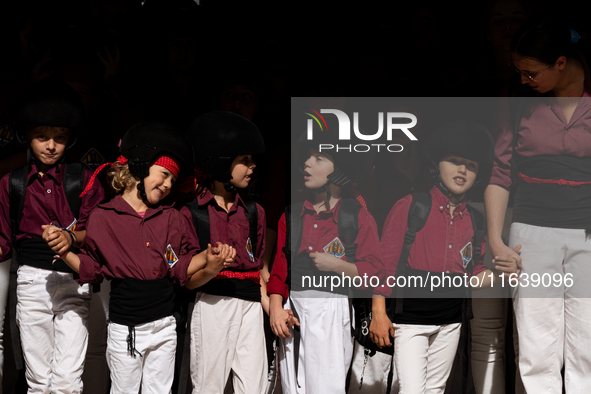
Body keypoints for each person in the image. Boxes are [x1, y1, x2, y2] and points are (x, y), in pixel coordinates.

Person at [42, 121, 234, 394]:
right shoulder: (104, 216)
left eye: (172, 180)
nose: (167, 184)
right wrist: (64, 251)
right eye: (164, 174)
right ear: (141, 167)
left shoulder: (172, 217)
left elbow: (178, 267)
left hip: (164, 326)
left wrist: (207, 255)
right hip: (126, 329)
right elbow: (92, 269)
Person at [371, 120, 520, 394]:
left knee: (436, 390)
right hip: (411, 320)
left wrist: (502, 273)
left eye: (472, 165)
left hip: (451, 320)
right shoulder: (410, 206)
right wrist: (378, 314)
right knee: (412, 390)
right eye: (454, 161)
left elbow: (473, 275)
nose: (463, 169)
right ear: (436, 164)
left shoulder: (476, 222)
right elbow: (384, 267)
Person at [484, 19, 591, 393]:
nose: (523, 78)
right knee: (536, 346)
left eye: (530, 72)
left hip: (587, 234)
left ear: (560, 63)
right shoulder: (517, 99)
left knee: (588, 345)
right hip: (531, 231)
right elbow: (500, 173)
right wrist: (495, 240)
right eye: (518, 70)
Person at [0, 80, 105, 393]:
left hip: (75, 280)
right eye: (41, 136)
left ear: (70, 139)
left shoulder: (83, 180)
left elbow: (98, 232)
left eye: (59, 138)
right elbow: (4, 241)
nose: (50, 145)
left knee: (68, 380)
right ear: (27, 136)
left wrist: (72, 238)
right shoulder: (12, 183)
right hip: (32, 283)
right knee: (38, 380)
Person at [267, 123, 383, 394]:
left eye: (318, 158)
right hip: (292, 309)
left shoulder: (357, 217)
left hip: (332, 308)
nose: (307, 163)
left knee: (326, 387)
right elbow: (279, 270)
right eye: (307, 156)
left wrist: (339, 266)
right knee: (292, 386)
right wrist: (275, 306)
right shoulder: (292, 216)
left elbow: (376, 270)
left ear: (339, 169)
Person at [184, 111, 268, 394]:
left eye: (252, 160)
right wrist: (211, 267)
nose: (252, 166)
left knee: (254, 387)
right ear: (220, 161)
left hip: (252, 306)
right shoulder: (193, 212)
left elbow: (259, 271)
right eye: (244, 160)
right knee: (209, 386)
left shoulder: (255, 212)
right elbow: (187, 279)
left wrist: (275, 309)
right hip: (213, 304)